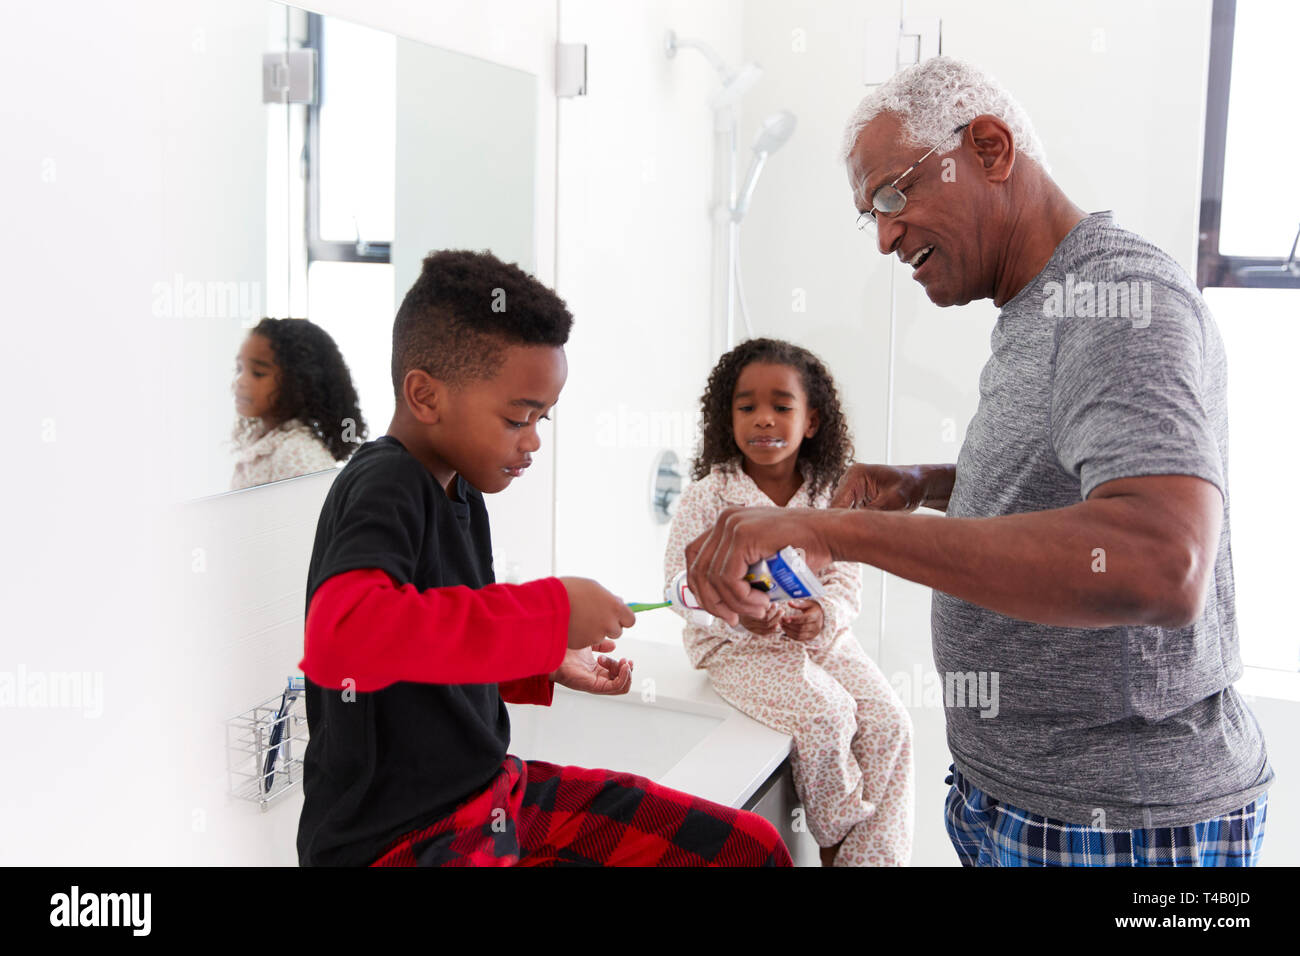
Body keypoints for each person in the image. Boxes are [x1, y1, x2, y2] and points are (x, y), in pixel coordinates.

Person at [684, 57, 1271, 866]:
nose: (885, 236)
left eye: (894, 195)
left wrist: (830, 531)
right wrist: (925, 484)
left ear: (989, 148)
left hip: (1120, 824)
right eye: (872, 215)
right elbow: (1074, 490)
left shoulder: (1120, 301)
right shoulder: (1040, 306)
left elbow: (1159, 561)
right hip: (1018, 800)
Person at [296, 249, 792, 867]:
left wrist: (543, 657)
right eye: (517, 417)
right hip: (405, 842)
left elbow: (428, 646)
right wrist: (549, 611)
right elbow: (345, 638)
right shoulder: (386, 484)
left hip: (494, 794)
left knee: (748, 850)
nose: (532, 440)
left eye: (542, 418)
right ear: (425, 395)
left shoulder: (461, 490)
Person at [665, 338, 913, 866]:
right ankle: (839, 843)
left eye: (781, 406)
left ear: (812, 421)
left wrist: (822, 616)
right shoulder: (709, 496)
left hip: (824, 643)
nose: (763, 419)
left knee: (890, 721)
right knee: (828, 713)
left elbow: (846, 581)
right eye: (747, 406)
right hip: (738, 651)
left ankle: (874, 861)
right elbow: (679, 589)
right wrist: (742, 622)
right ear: (725, 418)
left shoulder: (830, 497)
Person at [229, 317, 366, 490]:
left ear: (298, 383)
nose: (240, 381)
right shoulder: (262, 442)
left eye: (258, 373)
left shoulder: (298, 453)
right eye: (239, 368)